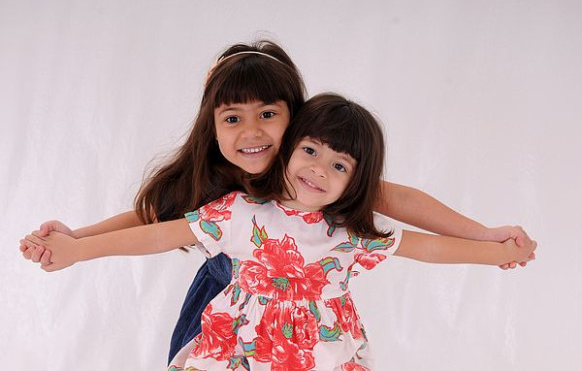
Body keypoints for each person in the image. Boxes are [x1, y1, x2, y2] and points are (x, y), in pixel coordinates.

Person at [19, 40, 535, 363]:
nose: (252, 133)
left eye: (268, 114)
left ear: (296, 117)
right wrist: (76, 241)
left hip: (314, 338)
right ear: (212, 126)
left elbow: (409, 219)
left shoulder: (328, 181)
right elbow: (153, 225)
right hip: (232, 303)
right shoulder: (224, 193)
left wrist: (488, 240)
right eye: (232, 119)